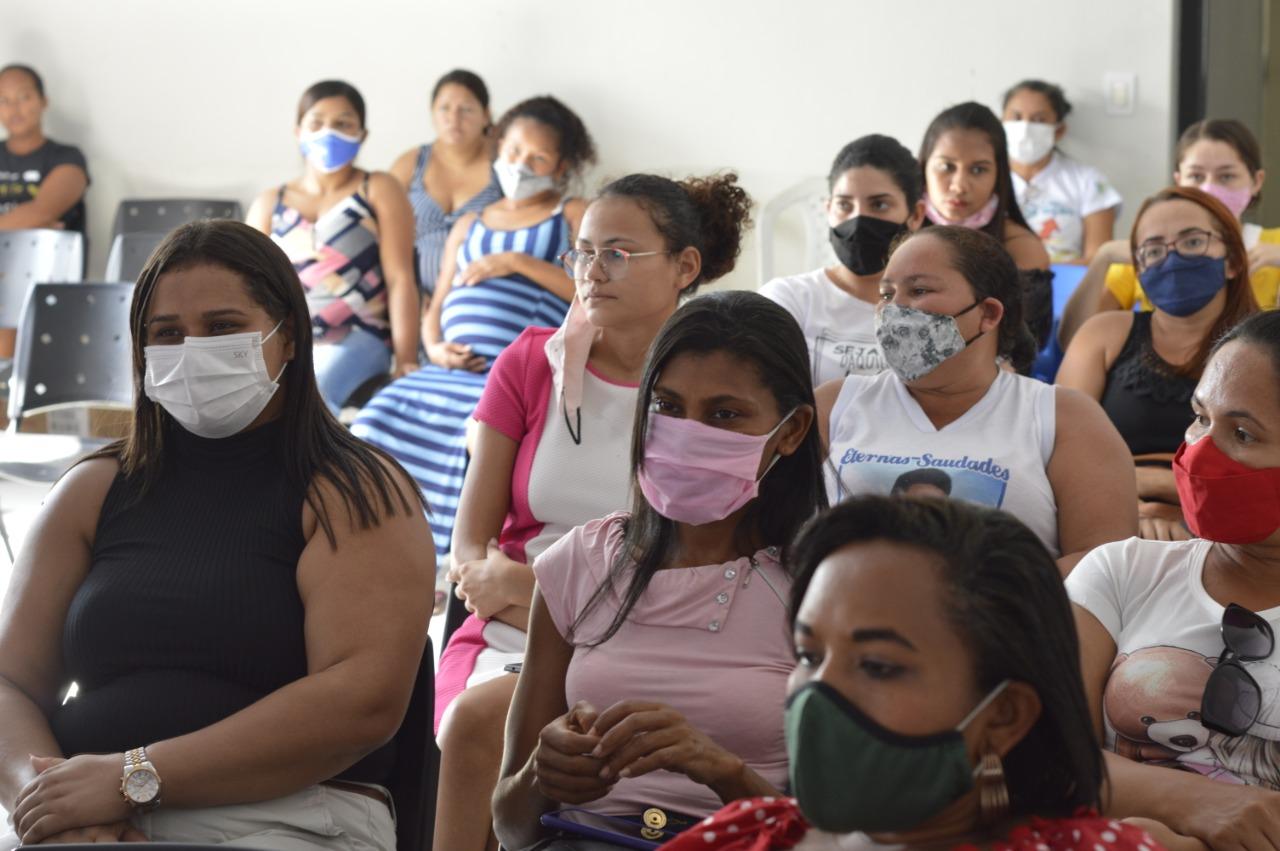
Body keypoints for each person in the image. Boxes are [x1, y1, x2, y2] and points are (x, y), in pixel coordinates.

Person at [0, 220, 434, 850]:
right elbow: (9, 683)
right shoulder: (94, 489)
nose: (191, 348)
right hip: (78, 817)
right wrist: (46, 808)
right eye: (166, 333)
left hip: (285, 817)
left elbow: (361, 700)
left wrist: (134, 778)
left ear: (289, 337)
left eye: (224, 327)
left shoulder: (353, 490)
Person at [432, 172, 752, 851]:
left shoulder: (710, 390)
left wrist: (535, 590)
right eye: (581, 251)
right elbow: (469, 548)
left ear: (684, 267)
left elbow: (709, 557)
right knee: (482, 715)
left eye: (616, 253)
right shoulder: (527, 362)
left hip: (657, 628)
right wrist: (532, 603)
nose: (590, 271)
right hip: (510, 633)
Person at [490, 291, 828, 850]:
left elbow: (838, 837)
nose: (687, 432)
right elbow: (510, 823)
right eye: (667, 406)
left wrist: (722, 772)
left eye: (724, 414)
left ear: (790, 432)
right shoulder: (581, 563)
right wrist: (539, 776)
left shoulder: (821, 588)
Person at [663, 495, 1171, 851]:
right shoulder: (742, 834)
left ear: (1003, 716)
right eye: (808, 656)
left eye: (878, 666)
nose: (818, 693)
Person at [1069, 310, 1280, 851]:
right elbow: (1040, 753)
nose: (1200, 451)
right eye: (1198, 417)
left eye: (1242, 433)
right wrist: (1189, 805)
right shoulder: (1122, 571)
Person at [352, 94, 593, 562]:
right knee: (371, 422)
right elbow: (436, 307)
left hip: (510, 378)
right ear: (498, 148)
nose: (522, 165)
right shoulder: (468, 224)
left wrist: (516, 262)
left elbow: (590, 294)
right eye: (514, 152)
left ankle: (439, 561)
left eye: (538, 157)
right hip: (446, 368)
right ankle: (378, 552)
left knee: (472, 435)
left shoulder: (571, 215)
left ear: (561, 166)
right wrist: (435, 348)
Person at [817, 225, 1136, 571]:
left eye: (919, 289)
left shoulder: (1064, 417)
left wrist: (976, 604)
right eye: (886, 293)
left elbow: (1105, 564)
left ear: (988, 314)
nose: (895, 309)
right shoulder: (835, 404)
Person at [1056, 187, 1258, 541]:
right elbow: (1057, 449)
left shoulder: (1265, 348)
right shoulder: (1103, 334)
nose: (1173, 259)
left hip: (1228, 530)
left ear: (1232, 260)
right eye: (1153, 250)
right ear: (1139, 271)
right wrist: (1125, 505)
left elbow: (1263, 467)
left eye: (1193, 242)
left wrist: (1170, 494)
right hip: (1107, 519)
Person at [247, 79, 420, 414]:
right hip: (287, 340)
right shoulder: (269, 203)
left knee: (311, 391)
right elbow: (251, 290)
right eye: (317, 122)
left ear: (362, 134)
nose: (329, 131)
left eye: (343, 123)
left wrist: (406, 359)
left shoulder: (378, 189)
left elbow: (401, 279)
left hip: (360, 335)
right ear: (299, 131)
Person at [1062, 119, 1280, 344]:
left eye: (1226, 176)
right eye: (1196, 176)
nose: (1209, 189)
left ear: (1256, 181)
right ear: (1178, 181)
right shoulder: (1149, 252)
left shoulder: (1276, 247)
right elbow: (1075, 340)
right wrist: (1103, 257)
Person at [760, 135, 924, 384]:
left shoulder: (934, 307)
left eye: (879, 205)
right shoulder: (790, 299)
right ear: (828, 210)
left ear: (915, 215)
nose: (858, 220)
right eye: (844, 205)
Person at [918, 101, 1053, 350]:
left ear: (998, 175)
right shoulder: (898, 233)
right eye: (946, 167)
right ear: (924, 166)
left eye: (978, 169)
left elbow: (1025, 347)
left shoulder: (1021, 248)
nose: (959, 185)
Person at [0, 64, 90, 360]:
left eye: (23, 97)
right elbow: (37, 221)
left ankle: (8, 385)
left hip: (46, 273)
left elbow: (41, 212)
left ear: (43, 101)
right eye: (4, 100)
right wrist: (27, 227)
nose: (14, 108)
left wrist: (35, 224)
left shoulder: (66, 157)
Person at [388, 69, 502, 296]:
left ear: (486, 114)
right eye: (444, 108)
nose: (454, 118)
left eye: (466, 109)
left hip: (483, 297)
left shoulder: (505, 164)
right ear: (432, 113)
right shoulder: (410, 163)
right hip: (413, 300)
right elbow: (384, 237)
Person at [1002, 79, 1122, 265]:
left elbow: (1099, 260)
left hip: (1066, 286)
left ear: (1059, 130)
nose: (1025, 127)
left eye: (1038, 119)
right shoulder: (987, 177)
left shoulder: (1087, 181)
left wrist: (1042, 275)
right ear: (1002, 122)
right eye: (1016, 117)